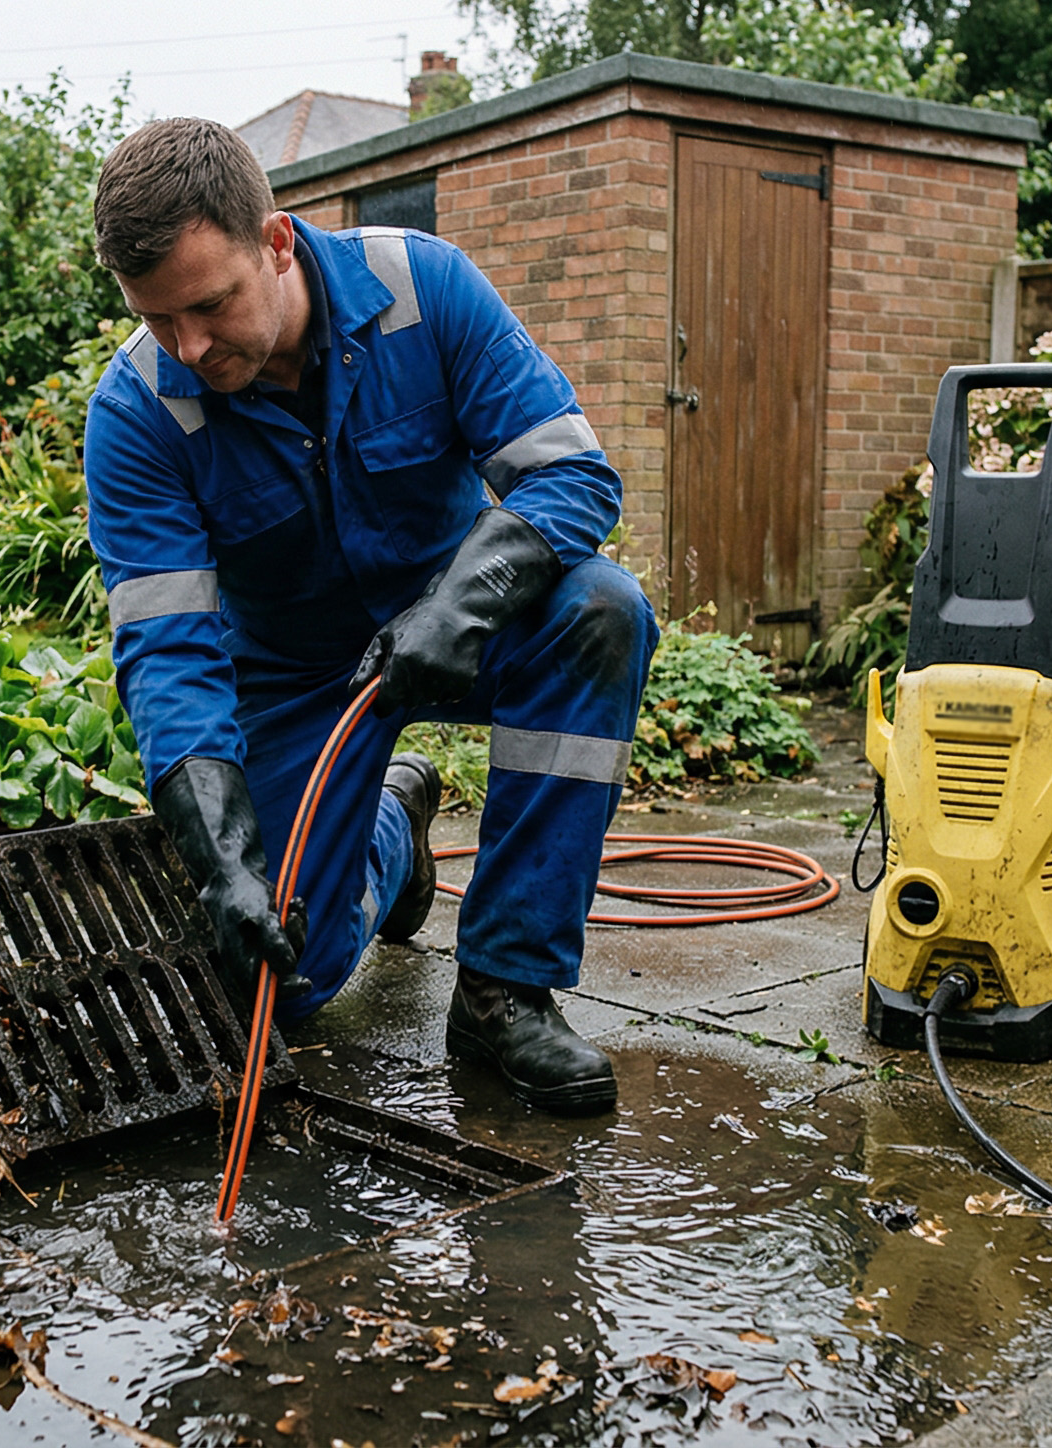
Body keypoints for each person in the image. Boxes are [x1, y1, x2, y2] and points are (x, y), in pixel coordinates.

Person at [83, 118, 656, 1115]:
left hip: (452, 625)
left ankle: (503, 988)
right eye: (158, 318)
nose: (189, 347)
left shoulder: (421, 289)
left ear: (276, 242)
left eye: (210, 306)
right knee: (288, 983)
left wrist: (458, 607)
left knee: (601, 610)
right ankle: (393, 819)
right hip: (295, 673)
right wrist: (223, 861)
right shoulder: (138, 413)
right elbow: (166, 651)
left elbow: (568, 472)